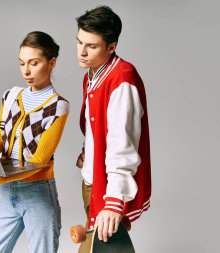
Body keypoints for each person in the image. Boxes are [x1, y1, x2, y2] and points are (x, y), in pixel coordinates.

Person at [0, 31, 69, 253]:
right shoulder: (10, 96)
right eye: (22, 63)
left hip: (38, 194)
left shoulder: (57, 106)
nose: (26, 71)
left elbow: (39, 161)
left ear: (51, 63)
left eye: (34, 63)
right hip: (6, 194)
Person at [74, 6, 152, 252]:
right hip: (92, 178)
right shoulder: (91, 76)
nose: (82, 52)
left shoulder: (122, 79)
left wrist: (114, 201)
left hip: (109, 186)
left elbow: (123, 143)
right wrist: (88, 151)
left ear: (111, 46)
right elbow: (97, 126)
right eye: (79, 42)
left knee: (100, 247)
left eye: (92, 46)